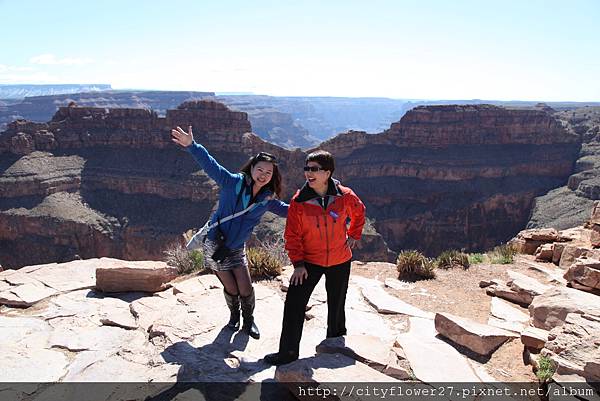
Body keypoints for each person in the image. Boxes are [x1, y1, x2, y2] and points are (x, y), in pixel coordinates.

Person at [171, 125, 288, 339]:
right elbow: (211, 166)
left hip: (236, 248)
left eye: (268, 173)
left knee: (246, 287)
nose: (263, 175)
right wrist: (192, 146)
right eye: (260, 169)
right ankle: (234, 317)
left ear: (273, 176)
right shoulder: (232, 182)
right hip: (215, 245)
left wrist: (315, 206)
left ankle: (249, 321)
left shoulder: (267, 199)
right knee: (231, 287)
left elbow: (288, 211)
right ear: (252, 169)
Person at [264, 150, 365, 365]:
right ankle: (287, 354)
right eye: (306, 169)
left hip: (340, 259)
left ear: (327, 173)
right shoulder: (299, 202)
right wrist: (298, 264)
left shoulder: (345, 195)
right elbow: (292, 235)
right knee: (294, 304)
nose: (308, 173)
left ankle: (335, 341)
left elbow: (360, 211)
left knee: (337, 302)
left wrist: (354, 234)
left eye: (314, 169)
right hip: (310, 262)